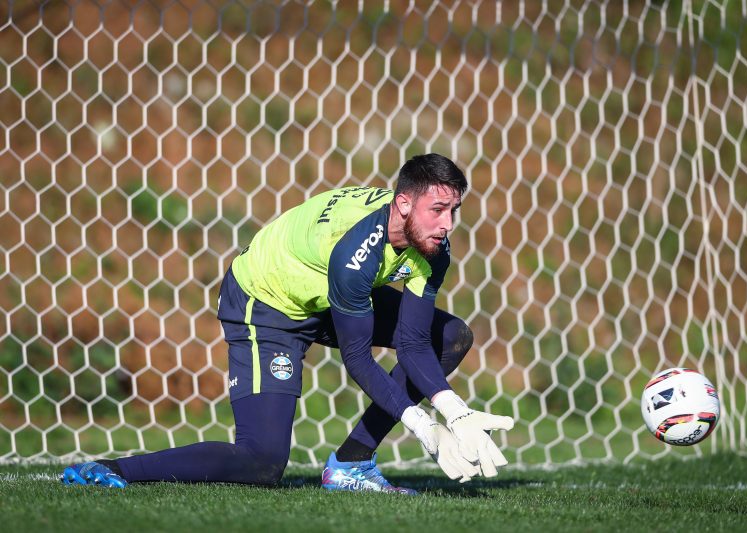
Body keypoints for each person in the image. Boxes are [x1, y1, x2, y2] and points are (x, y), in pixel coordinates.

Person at [61, 153, 514, 493]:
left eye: (453, 210)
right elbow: (358, 359)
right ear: (402, 205)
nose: (448, 224)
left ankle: (351, 464)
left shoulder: (431, 246)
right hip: (266, 304)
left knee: (449, 336)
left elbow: (414, 342)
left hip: (327, 294)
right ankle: (113, 468)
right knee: (261, 462)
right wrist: (423, 426)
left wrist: (455, 412)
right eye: (437, 209)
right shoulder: (355, 252)